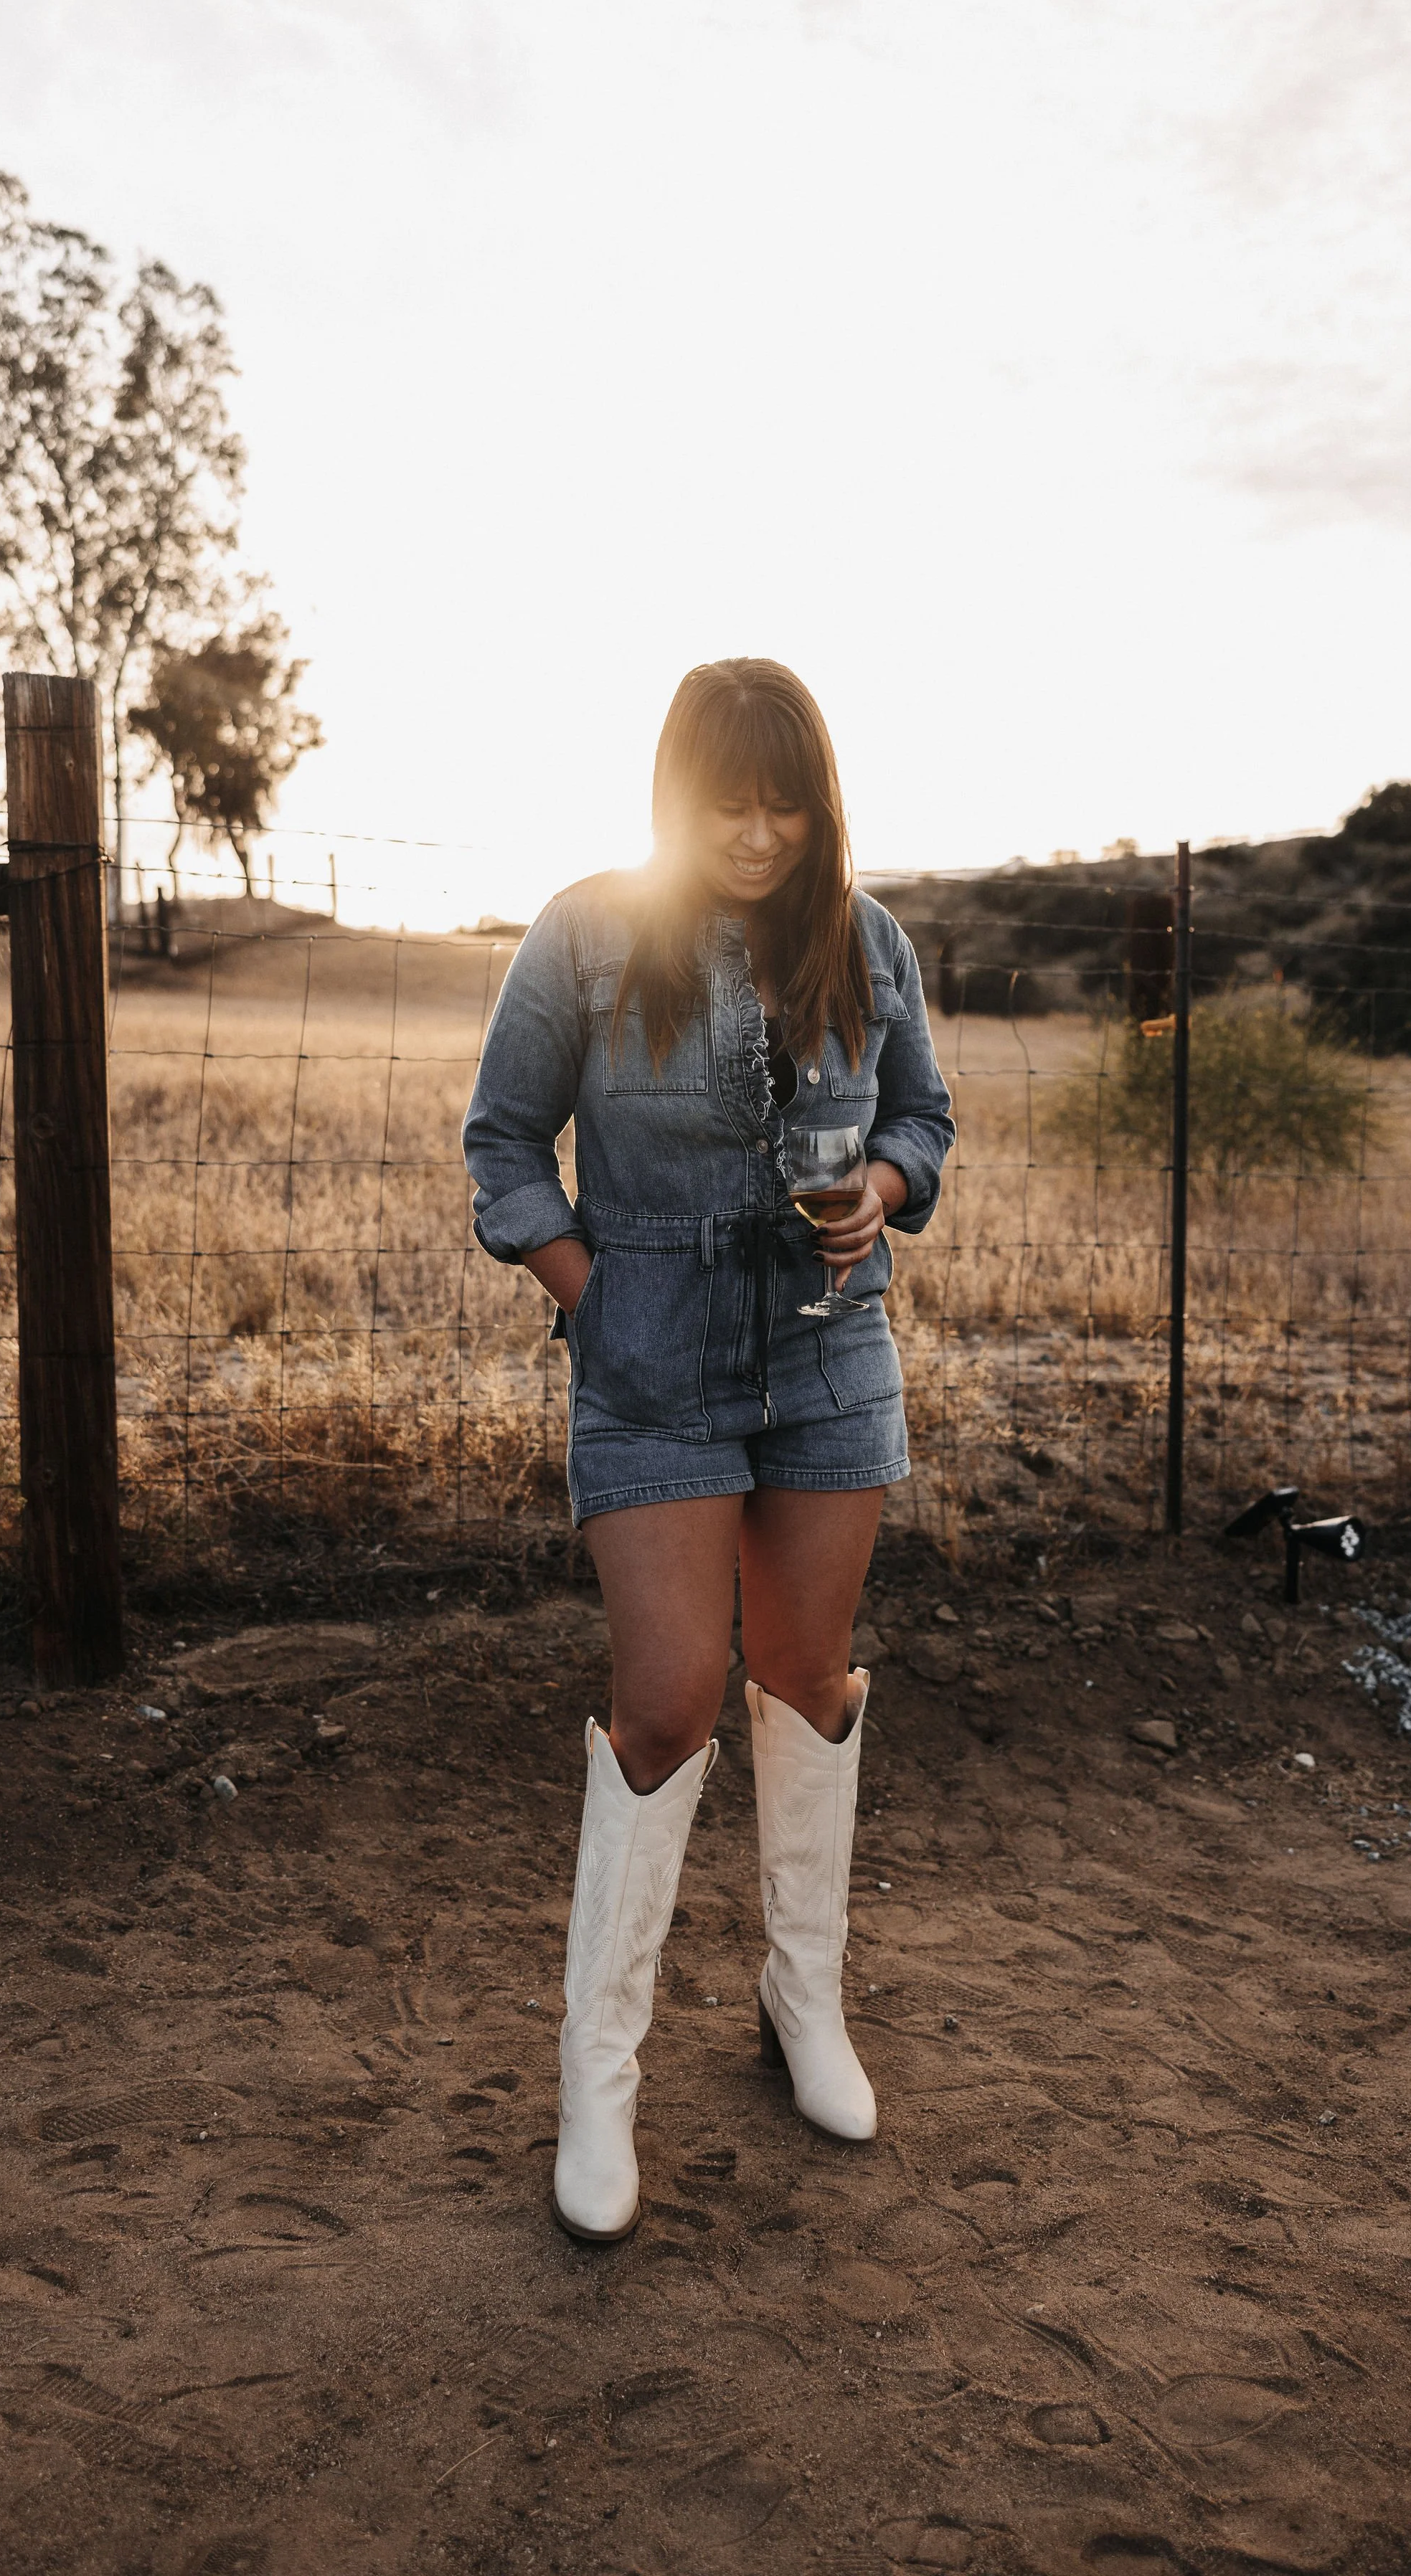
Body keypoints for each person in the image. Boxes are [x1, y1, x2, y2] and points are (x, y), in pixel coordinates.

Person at [461, 658, 954, 2242]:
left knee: (808, 1683)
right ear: (680, 794)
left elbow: (925, 1122)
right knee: (669, 1704)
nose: (758, 833)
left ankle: (799, 2003)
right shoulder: (589, 934)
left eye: (785, 800)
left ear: (819, 803)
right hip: (651, 1371)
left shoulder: (867, 945)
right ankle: (597, 2079)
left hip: (831, 1364)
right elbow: (501, 1143)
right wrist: (593, 1298)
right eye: (729, 802)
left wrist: (885, 1186)